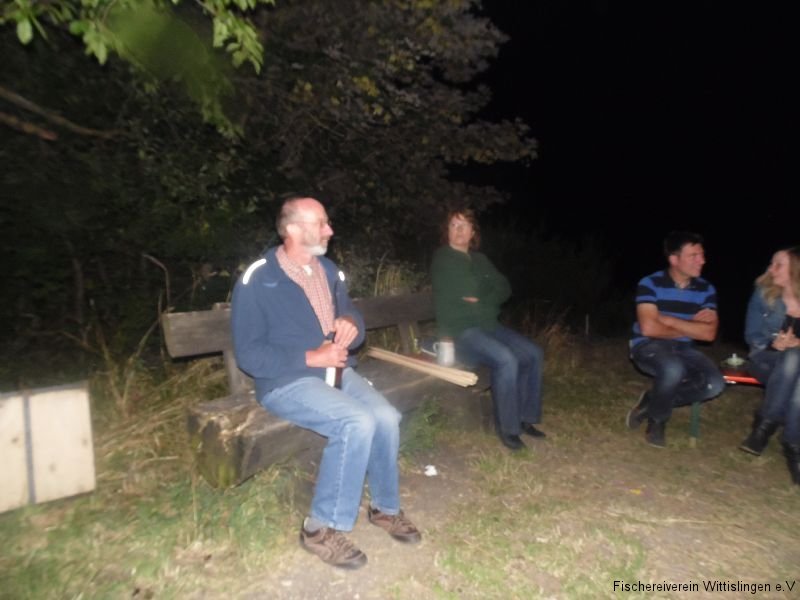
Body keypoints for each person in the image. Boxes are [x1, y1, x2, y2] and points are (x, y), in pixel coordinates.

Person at [231, 196, 421, 570]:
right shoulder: (259, 279)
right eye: (321, 223)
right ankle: (318, 529)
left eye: (327, 222)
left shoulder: (329, 271)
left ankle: (384, 508)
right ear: (292, 229)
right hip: (285, 381)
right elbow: (250, 355)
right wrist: (309, 358)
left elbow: (350, 315)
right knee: (356, 421)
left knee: (386, 417)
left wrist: (351, 323)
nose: (330, 230)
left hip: (335, 372)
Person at [431, 208, 545, 451]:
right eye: (454, 225)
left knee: (533, 354)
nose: (459, 230)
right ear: (447, 231)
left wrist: (482, 298)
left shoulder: (480, 260)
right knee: (506, 359)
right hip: (462, 332)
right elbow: (466, 288)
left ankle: (525, 418)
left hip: (489, 326)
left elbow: (504, 287)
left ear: (473, 232)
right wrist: (484, 289)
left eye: (464, 225)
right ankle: (507, 427)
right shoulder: (443, 258)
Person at [627, 231, 726, 448]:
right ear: (674, 259)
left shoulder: (706, 289)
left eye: (702, 255)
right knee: (673, 368)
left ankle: (652, 401)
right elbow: (649, 328)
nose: (702, 260)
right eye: (694, 256)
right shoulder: (650, 283)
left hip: (683, 348)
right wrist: (692, 326)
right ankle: (657, 421)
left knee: (714, 384)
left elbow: (709, 334)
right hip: (647, 345)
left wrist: (670, 320)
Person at [739, 247, 800, 485]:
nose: (771, 269)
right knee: (793, 358)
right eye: (772, 263)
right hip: (766, 359)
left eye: (778, 265)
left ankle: (764, 428)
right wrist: (774, 345)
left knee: (795, 361)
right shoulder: (763, 294)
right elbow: (752, 335)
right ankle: (793, 447)